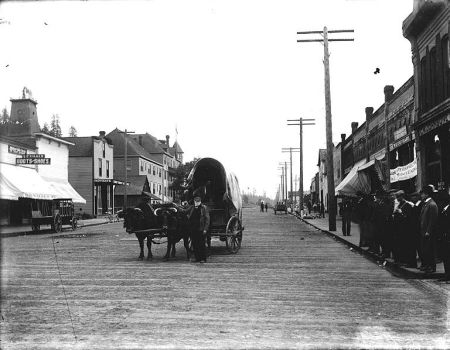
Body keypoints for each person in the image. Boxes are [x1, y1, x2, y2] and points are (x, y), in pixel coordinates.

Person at [183, 187, 210, 263]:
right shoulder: (192, 208)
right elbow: (184, 211)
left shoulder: (204, 208)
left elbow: (207, 219)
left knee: (201, 244)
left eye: (198, 198)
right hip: (193, 229)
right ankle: (197, 258)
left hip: (201, 228)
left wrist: (205, 229)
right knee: (195, 244)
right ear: (194, 200)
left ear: (200, 199)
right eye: (196, 199)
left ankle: (202, 258)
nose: (197, 200)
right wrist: (176, 207)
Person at [419, 184, 439, 273]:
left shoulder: (432, 204)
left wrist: (428, 231)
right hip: (424, 231)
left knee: (430, 250)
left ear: (427, 194)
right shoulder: (426, 204)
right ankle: (427, 265)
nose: (421, 195)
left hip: (428, 232)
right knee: (425, 249)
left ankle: (432, 266)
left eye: (423, 194)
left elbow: (432, 220)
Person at [391, 190, 414, 266]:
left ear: (402, 196)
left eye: (398, 196)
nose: (397, 198)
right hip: (397, 227)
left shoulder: (407, 205)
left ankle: (405, 260)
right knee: (399, 244)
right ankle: (400, 259)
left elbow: (409, 217)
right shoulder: (399, 204)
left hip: (404, 228)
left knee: (404, 245)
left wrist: (401, 212)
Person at [436, 191, 450, 282]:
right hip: (444, 236)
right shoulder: (444, 209)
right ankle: (447, 275)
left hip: (448, 236)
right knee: (445, 257)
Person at [410, 191, 424, 269]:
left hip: (418, 229)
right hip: (414, 229)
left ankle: (423, 263)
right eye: (412, 197)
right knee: (416, 246)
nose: (412, 198)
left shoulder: (420, 205)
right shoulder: (415, 205)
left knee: (420, 247)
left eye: (414, 197)